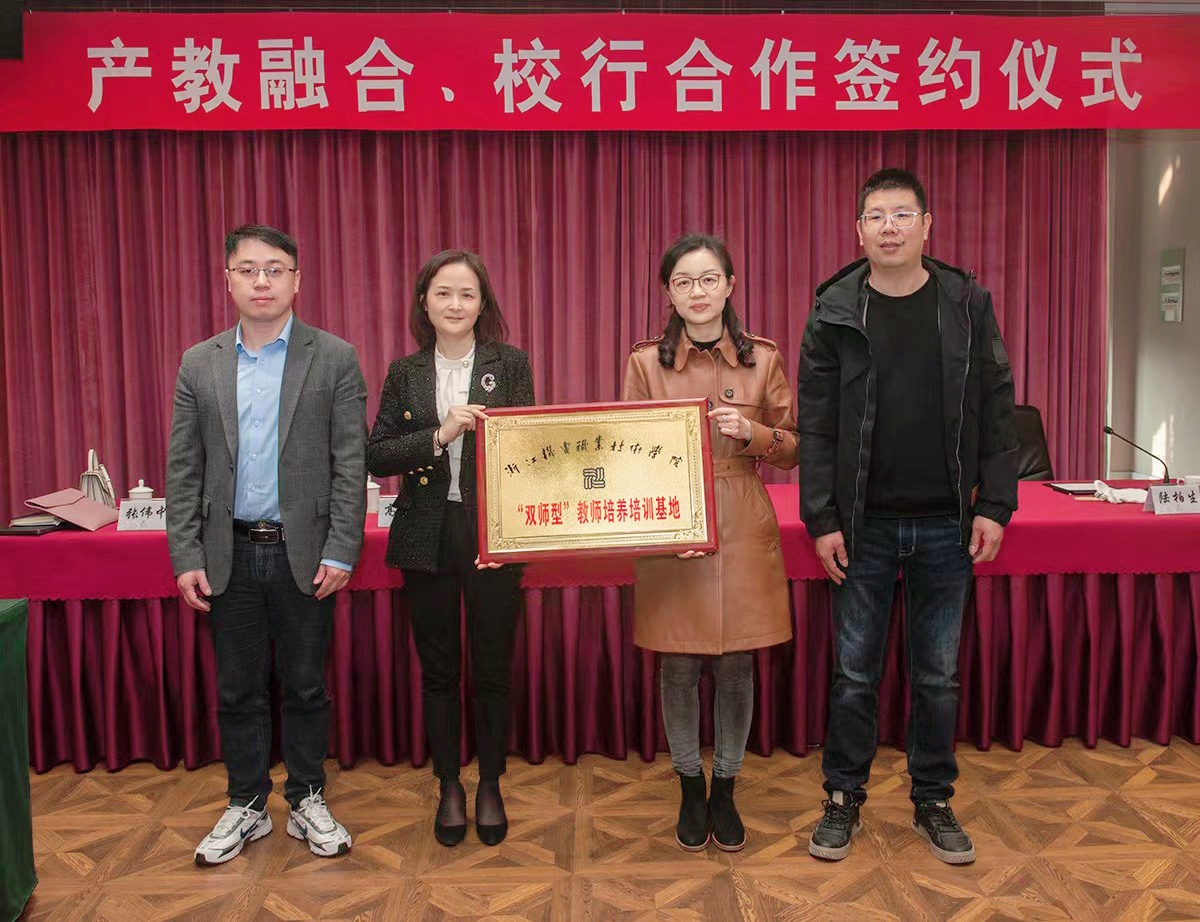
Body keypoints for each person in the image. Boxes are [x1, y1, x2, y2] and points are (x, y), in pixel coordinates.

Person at [798, 168, 1018, 864]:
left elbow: (998, 404)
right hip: (863, 527)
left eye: (901, 214)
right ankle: (842, 797)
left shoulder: (966, 303)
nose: (889, 226)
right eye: (876, 215)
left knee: (937, 676)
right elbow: (817, 423)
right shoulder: (834, 309)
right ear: (858, 230)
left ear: (928, 225)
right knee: (854, 675)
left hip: (947, 524)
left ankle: (933, 799)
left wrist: (997, 503)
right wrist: (822, 519)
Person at [166, 224, 367, 865]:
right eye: (248, 269)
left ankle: (308, 798)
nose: (261, 281)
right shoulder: (199, 362)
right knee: (238, 689)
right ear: (227, 280)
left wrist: (342, 548)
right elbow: (184, 469)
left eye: (275, 269)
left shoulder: (333, 357)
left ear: (296, 280)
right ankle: (247, 804)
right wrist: (186, 555)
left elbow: (349, 462)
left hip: (303, 552)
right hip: (227, 552)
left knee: (306, 686)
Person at [622, 233, 798, 852]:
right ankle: (688, 785)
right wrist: (672, 520)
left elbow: (794, 447)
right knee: (677, 662)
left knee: (735, 663)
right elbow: (626, 450)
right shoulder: (646, 362)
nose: (696, 292)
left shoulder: (763, 359)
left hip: (741, 517)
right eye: (683, 282)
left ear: (729, 286)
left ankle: (726, 785)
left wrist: (751, 432)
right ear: (668, 293)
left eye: (707, 279)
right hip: (671, 519)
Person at [367, 249, 534, 847]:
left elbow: (530, 448)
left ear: (482, 303)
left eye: (467, 293)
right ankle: (448, 786)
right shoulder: (405, 372)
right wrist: (440, 433)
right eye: (443, 293)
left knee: (491, 668)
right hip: (427, 533)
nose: (455, 304)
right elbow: (377, 454)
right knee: (439, 670)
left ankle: (489, 782)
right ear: (424, 302)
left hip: (493, 533)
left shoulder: (510, 364)